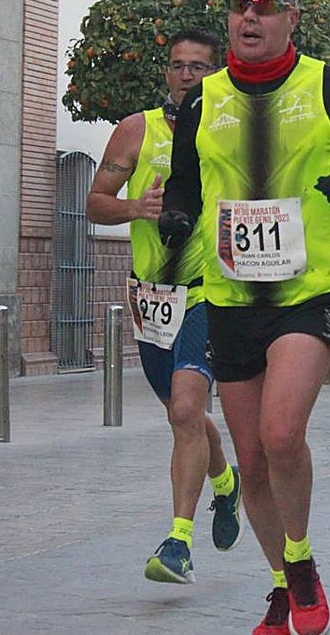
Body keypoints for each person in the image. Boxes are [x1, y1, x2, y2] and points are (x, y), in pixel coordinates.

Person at [160, 0, 330, 635]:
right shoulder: (204, 100)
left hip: (308, 288)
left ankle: (300, 557)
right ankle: (281, 578)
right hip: (233, 292)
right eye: (239, 3)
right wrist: (176, 219)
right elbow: (184, 185)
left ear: (291, 17)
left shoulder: (328, 85)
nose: (250, 15)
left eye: (265, 4)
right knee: (252, 457)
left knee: (281, 435)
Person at [85, 29, 243, 586]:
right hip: (150, 296)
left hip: (207, 290)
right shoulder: (136, 130)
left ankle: (179, 542)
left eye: (198, 67)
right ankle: (225, 484)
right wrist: (137, 207)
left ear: (215, 73)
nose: (185, 76)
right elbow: (95, 206)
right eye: (177, 66)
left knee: (184, 411)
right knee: (188, 417)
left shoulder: (231, 128)